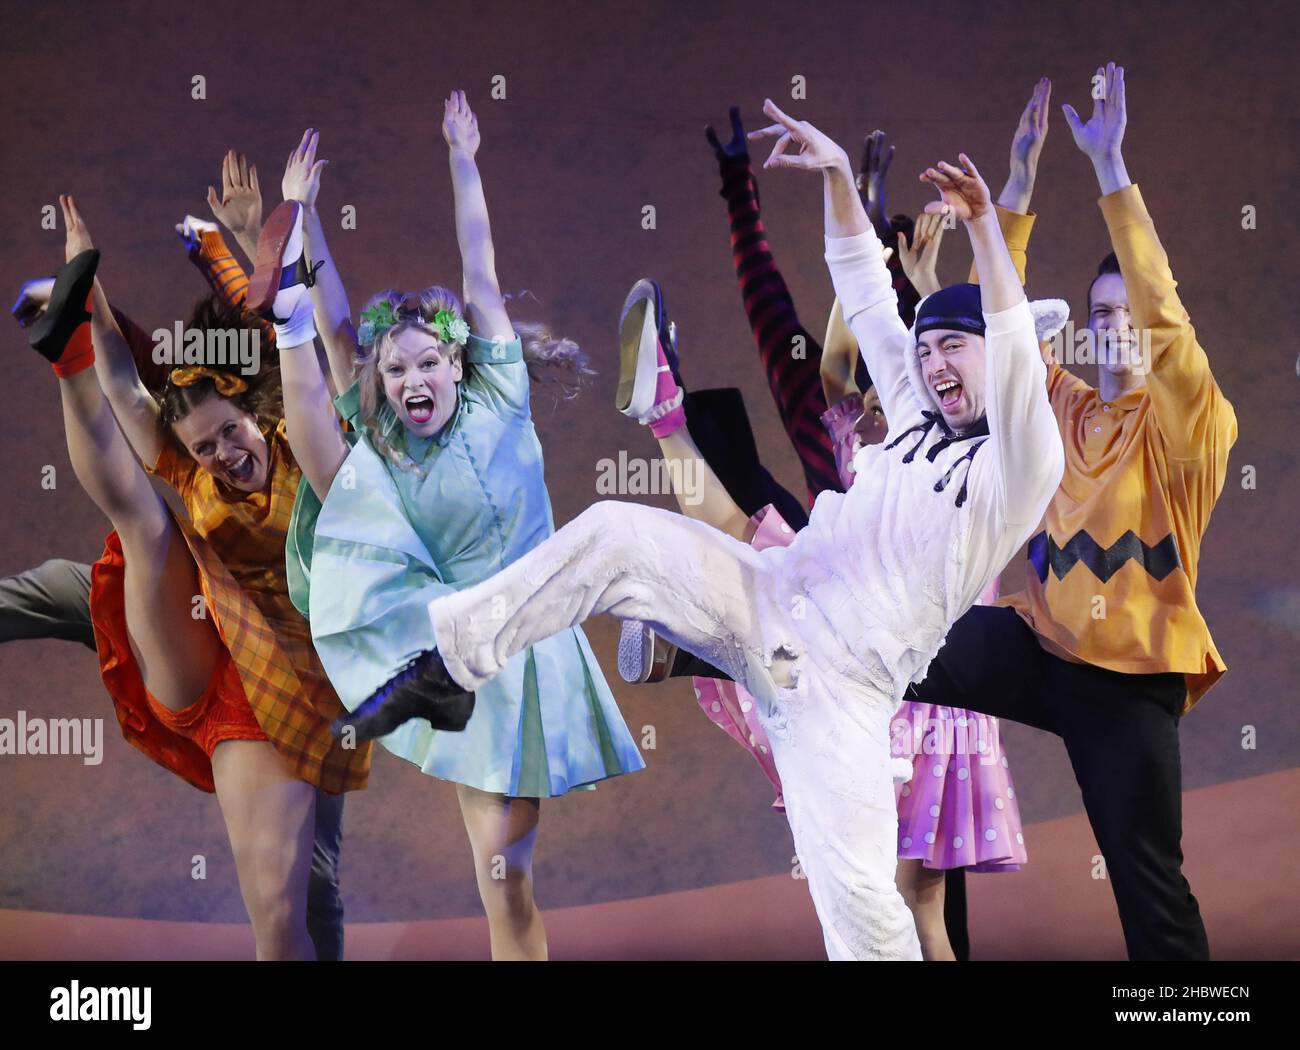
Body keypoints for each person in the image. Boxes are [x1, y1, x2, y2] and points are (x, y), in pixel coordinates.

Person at [335, 98, 1066, 961]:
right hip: (770, 593)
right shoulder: (910, 411)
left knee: (867, 915)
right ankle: (449, 666)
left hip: (842, 688)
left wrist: (985, 229)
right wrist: (836, 177)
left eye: (956, 348)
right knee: (613, 532)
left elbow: (1016, 353)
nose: (933, 362)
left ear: (997, 357)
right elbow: (864, 285)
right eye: (930, 347)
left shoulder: (1019, 469)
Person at [264, 99, 644, 962]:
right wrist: (306, 216)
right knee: (499, 869)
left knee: (516, 866)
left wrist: (462, 157)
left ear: (457, 359)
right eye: (393, 370)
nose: (409, 379)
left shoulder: (500, 392)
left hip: (536, 633)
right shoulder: (392, 445)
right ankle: (278, 324)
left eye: (425, 361)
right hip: (459, 649)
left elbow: (479, 266)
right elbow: (338, 324)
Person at [906, 63, 1236, 960]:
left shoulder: (1187, 426)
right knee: (887, 639)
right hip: (1044, 647)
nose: (1117, 325)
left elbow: (1164, 317)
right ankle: (702, 646)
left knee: (1150, 891)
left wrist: (1109, 172)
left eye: (1127, 310)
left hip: (1130, 683)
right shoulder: (1066, 408)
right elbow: (1000, 324)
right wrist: (1008, 191)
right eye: (1100, 313)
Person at [4, 182, 351, 960]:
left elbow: (297, 338)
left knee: (296, 894)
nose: (226, 458)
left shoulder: (307, 445)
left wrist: (236, 236)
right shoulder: (196, 472)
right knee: (138, 528)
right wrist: (84, 298)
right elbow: (130, 389)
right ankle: (64, 360)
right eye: (205, 448)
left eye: (232, 436)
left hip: (294, 688)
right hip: (201, 643)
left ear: (259, 416)